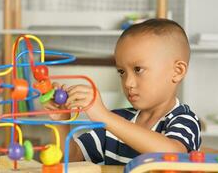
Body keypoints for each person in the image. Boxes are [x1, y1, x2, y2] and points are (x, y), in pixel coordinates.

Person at [43, 18, 201, 165]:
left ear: (177, 71)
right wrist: (61, 123)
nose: (128, 83)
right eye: (121, 72)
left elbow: (173, 155)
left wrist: (104, 116)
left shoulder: (184, 120)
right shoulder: (117, 120)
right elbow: (72, 159)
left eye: (138, 69)